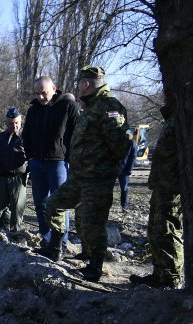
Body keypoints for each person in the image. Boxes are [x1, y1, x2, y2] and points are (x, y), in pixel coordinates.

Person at [36, 66, 130, 282]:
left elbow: (119, 146)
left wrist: (101, 166)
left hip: (97, 179)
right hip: (80, 176)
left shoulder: (109, 107)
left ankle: (95, 266)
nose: (77, 86)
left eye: (80, 82)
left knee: (92, 222)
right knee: (53, 204)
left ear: (86, 84)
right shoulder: (91, 107)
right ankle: (56, 247)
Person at [130, 103, 182, 288]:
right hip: (162, 185)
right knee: (155, 231)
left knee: (168, 231)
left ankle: (172, 279)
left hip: (173, 188)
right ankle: (159, 273)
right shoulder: (174, 116)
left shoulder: (183, 118)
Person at [22, 76, 80, 244]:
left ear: (54, 88)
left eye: (44, 93)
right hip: (37, 163)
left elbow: (76, 134)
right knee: (40, 204)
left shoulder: (67, 106)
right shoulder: (33, 110)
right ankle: (47, 239)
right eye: (37, 93)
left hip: (58, 162)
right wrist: (31, 157)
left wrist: (70, 158)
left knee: (60, 204)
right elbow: (27, 136)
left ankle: (61, 242)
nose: (40, 97)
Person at [0, 108, 28, 231]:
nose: (14, 126)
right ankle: (3, 233)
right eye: (11, 123)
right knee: (1, 208)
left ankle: (16, 233)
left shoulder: (26, 138)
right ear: (6, 123)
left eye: (16, 123)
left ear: (21, 121)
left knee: (17, 209)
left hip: (18, 178)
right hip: (1, 178)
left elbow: (32, 157)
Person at [118, 132, 137, 210]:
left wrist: (129, 169)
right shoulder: (121, 142)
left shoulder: (131, 143)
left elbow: (133, 157)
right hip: (119, 168)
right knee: (124, 189)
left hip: (123, 169)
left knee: (124, 189)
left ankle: (124, 206)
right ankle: (124, 206)